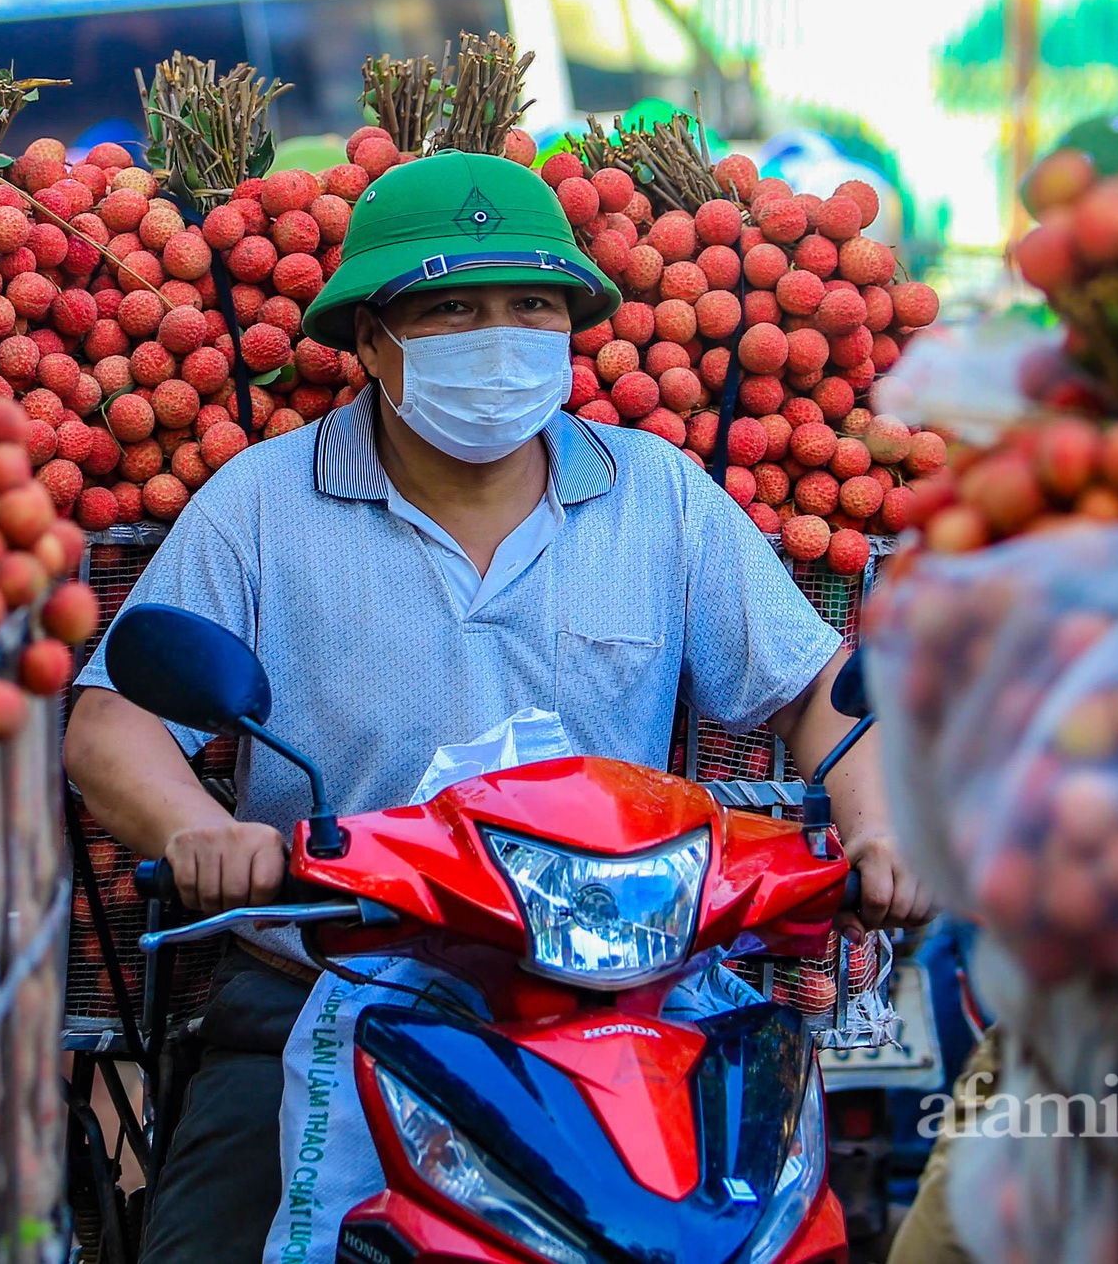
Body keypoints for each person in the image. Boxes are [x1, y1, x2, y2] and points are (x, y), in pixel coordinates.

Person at [64, 149, 928, 1262]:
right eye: (452, 309)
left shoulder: (655, 495)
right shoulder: (259, 504)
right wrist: (201, 830)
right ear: (371, 341)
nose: (500, 333)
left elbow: (815, 692)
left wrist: (877, 823)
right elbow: (112, 723)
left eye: (530, 306)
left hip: (613, 1001)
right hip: (324, 989)